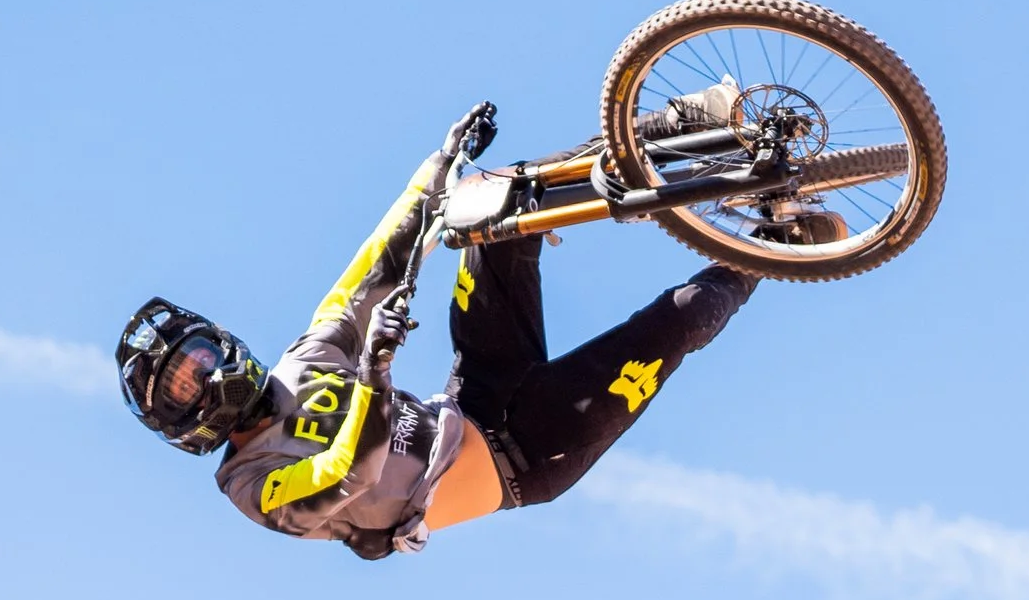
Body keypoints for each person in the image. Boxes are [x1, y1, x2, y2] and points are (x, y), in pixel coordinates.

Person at [116, 101, 760, 560]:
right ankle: (781, 238)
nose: (205, 372)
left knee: (493, 202)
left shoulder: (303, 361)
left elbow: (375, 267)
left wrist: (439, 167)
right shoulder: (251, 487)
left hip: (475, 395)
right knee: (671, 322)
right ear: (185, 422)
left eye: (196, 356)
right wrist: (371, 373)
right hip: (533, 455)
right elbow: (350, 475)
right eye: (185, 384)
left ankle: (680, 129)